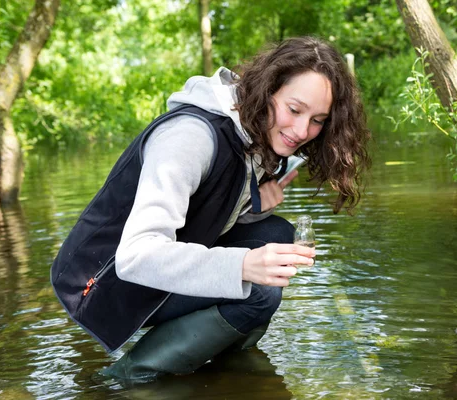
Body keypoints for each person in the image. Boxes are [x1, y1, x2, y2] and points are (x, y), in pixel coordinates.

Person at [50, 36, 371, 383]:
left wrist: (254, 205)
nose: (302, 131)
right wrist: (243, 265)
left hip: (160, 269)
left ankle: (224, 362)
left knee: (276, 235)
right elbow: (136, 256)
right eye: (294, 110)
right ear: (267, 91)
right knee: (258, 288)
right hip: (105, 286)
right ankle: (129, 378)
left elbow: (209, 215)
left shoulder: (251, 131)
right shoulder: (190, 138)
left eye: (318, 120)